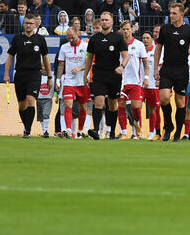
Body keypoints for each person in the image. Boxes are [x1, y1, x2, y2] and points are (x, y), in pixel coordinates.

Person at [154, 2, 190, 141]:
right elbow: (158, 48)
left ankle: (178, 133)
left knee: (180, 102)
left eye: (174, 13)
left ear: (181, 14)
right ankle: (169, 126)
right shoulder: (165, 29)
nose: (171, 15)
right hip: (167, 69)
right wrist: (156, 68)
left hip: (182, 70)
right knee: (164, 98)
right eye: (170, 13)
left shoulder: (189, 30)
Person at [3, 13, 52, 138]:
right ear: (23, 24)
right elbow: (10, 57)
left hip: (34, 74)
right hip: (20, 74)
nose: (28, 25)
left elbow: (45, 58)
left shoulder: (40, 39)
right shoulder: (17, 39)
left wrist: (49, 76)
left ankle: (28, 130)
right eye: (26, 23)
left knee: (31, 101)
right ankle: (26, 127)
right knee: (22, 105)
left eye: (31, 23)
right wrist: (6, 73)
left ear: (35, 25)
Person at [84, 11, 129, 140]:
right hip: (98, 74)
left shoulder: (118, 38)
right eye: (102, 20)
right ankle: (96, 130)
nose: (104, 22)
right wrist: (86, 74)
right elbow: (89, 58)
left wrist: (122, 67)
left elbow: (126, 56)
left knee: (113, 104)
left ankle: (112, 132)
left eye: (106, 20)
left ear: (112, 22)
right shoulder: (94, 39)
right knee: (98, 101)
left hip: (114, 75)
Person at [55, 27, 90, 139]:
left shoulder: (86, 46)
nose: (70, 40)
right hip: (69, 81)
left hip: (82, 81)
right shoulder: (64, 47)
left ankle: (80, 131)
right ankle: (68, 130)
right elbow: (61, 65)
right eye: (68, 38)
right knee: (68, 104)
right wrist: (58, 80)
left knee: (83, 107)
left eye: (72, 37)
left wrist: (80, 68)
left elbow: (90, 62)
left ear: (78, 34)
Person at [117, 20, 150, 139]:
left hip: (135, 82)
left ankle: (137, 128)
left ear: (132, 29)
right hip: (121, 81)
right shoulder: (118, 44)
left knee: (136, 107)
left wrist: (146, 77)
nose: (126, 31)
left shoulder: (139, 44)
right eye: (124, 29)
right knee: (121, 105)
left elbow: (145, 63)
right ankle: (123, 132)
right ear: (121, 31)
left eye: (127, 29)